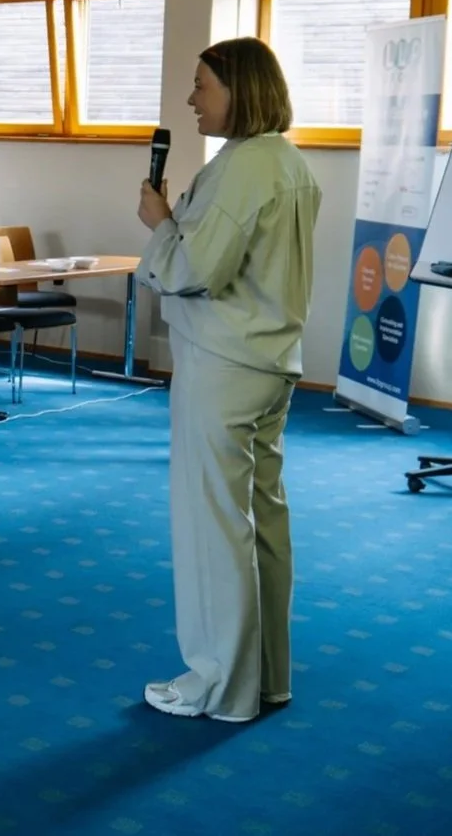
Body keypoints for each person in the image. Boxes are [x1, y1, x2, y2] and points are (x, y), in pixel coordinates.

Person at [135, 37, 322, 725]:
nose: (191, 99)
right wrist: (178, 227)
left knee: (214, 524)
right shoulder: (288, 163)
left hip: (224, 362)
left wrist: (159, 225)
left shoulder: (242, 167)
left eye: (201, 85)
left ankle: (219, 683)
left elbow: (191, 270)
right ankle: (266, 675)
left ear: (239, 90)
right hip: (270, 361)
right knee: (263, 520)